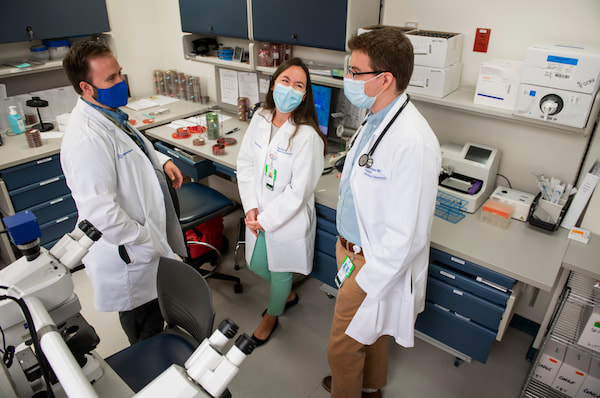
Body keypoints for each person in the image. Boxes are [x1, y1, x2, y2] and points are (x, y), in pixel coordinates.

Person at [322, 27, 442, 397]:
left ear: (385, 79)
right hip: (351, 251)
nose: (348, 80)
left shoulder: (414, 142)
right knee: (369, 332)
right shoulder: (377, 117)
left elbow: (409, 235)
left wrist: (367, 280)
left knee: (341, 347)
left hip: (370, 263)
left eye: (356, 73)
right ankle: (371, 387)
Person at [61, 40, 187, 345]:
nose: (121, 83)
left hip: (144, 247)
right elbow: (102, 214)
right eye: (111, 79)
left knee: (159, 312)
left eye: (120, 73)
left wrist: (161, 160)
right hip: (130, 256)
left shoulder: (108, 113)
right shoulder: (86, 140)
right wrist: (147, 242)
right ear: (86, 87)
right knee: (146, 331)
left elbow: (128, 148)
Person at [237, 57, 326, 346]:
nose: (290, 89)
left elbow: (298, 192)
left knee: (279, 271)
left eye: (298, 85)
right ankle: (287, 292)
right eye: (285, 81)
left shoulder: (307, 136)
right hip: (257, 211)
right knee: (255, 264)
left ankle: (272, 315)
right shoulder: (260, 118)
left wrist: (265, 220)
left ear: (304, 95)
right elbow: (246, 162)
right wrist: (251, 204)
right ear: (274, 82)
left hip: (285, 218)